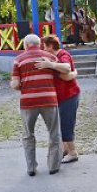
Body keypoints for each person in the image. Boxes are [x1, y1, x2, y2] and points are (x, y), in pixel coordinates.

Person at [10, 34, 62, 176]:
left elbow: (15, 84)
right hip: (49, 99)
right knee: (54, 132)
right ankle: (53, 166)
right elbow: (61, 73)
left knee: (28, 134)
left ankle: (31, 168)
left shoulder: (18, 59)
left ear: (25, 45)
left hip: (28, 102)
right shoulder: (50, 57)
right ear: (39, 44)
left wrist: (21, 87)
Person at [38, 35, 80, 164]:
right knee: (61, 124)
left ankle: (73, 152)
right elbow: (68, 74)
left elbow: (67, 70)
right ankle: (65, 150)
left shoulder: (63, 54)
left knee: (66, 124)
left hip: (69, 95)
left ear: (50, 46)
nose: (43, 49)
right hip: (61, 97)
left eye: (44, 46)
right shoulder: (54, 58)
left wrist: (50, 65)